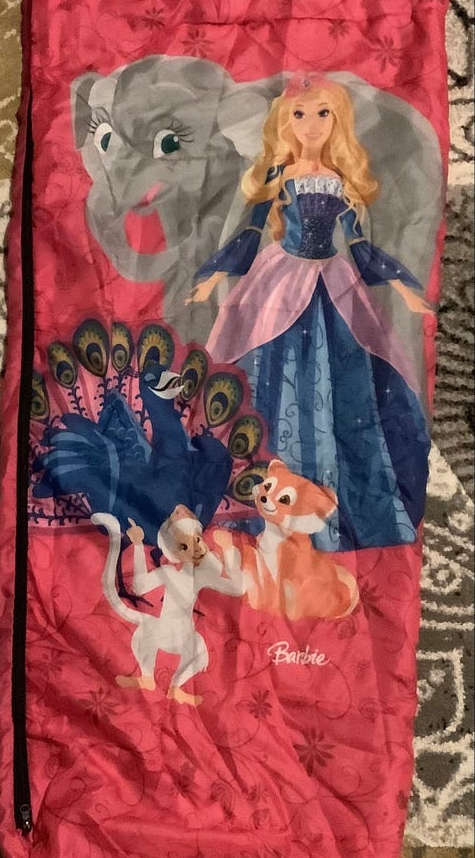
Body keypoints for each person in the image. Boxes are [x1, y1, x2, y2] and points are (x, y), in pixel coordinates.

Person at [186, 74, 434, 550]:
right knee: (269, 372)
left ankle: (332, 504)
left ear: (338, 120)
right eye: (299, 115)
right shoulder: (280, 177)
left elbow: (360, 248)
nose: (311, 124)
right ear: (285, 122)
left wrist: (403, 288)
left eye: (323, 114)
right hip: (281, 277)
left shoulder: (340, 181)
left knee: (345, 373)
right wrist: (213, 278)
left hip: (332, 279)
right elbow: (250, 234)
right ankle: (254, 502)